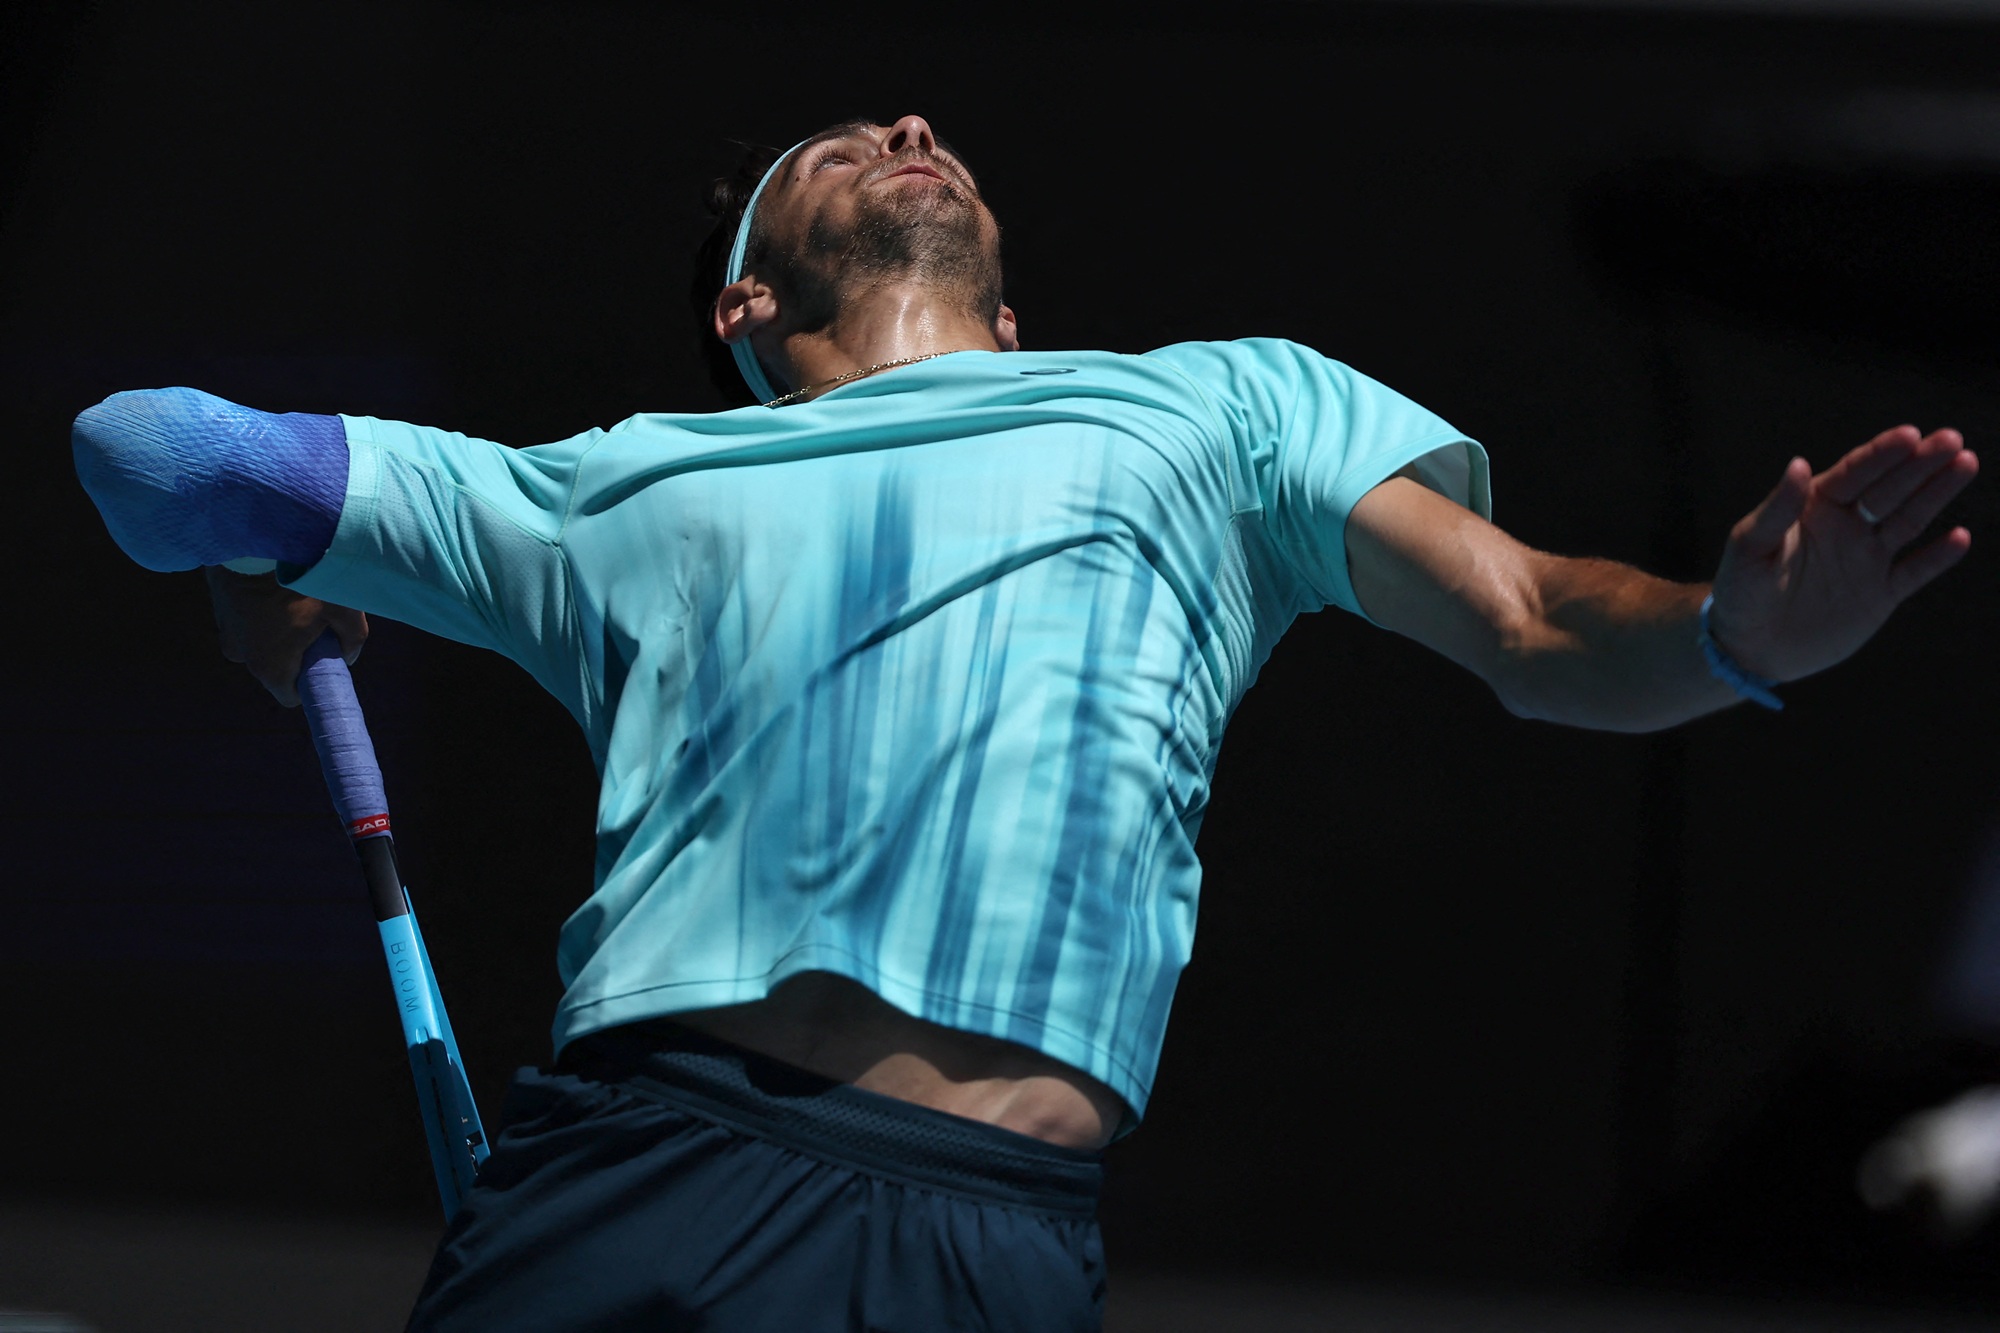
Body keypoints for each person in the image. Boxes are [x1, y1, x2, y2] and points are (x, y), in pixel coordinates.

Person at [72, 113, 1977, 1331]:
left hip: (986, 1227)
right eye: (836, 144)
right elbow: (146, 446)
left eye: (921, 128)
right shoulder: (608, 486)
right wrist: (261, 547)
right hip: (647, 1170)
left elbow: (1540, 622)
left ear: (1011, 315)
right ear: (745, 300)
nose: (910, 129)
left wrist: (1737, 634)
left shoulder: (1218, 412)